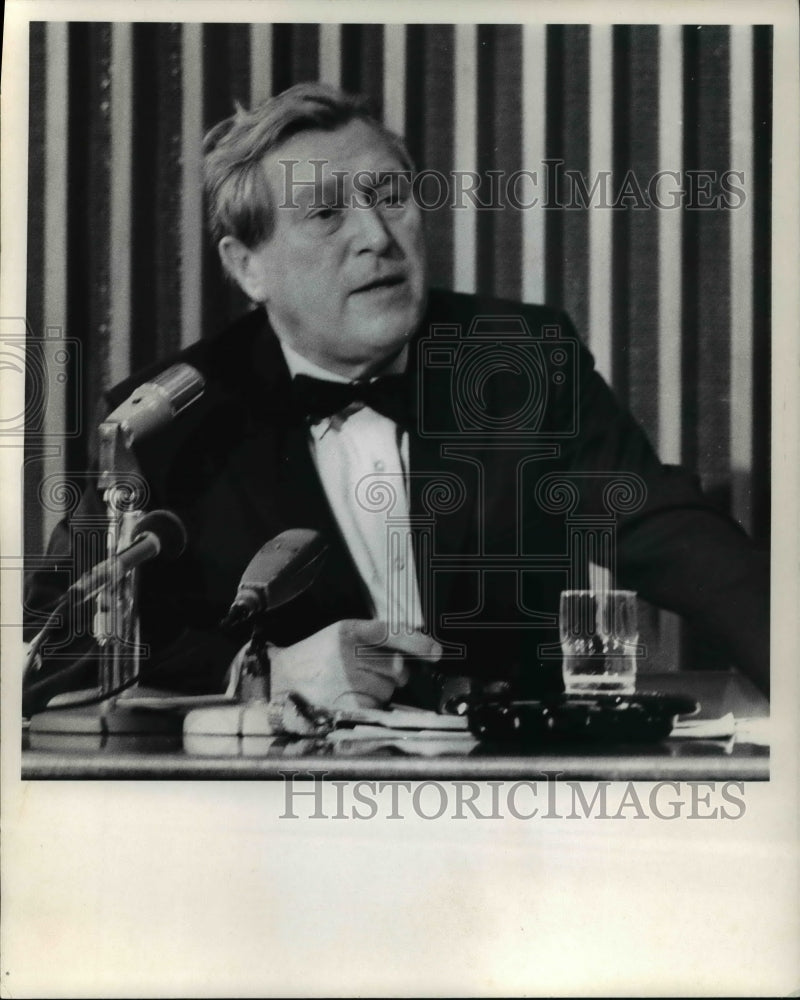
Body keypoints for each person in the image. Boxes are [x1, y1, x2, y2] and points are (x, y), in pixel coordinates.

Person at [23, 82, 769, 716]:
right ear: (247, 266)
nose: (377, 236)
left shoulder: (517, 362)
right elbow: (46, 649)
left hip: (508, 805)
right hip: (272, 824)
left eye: (391, 197)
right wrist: (262, 675)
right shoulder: (165, 420)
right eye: (326, 215)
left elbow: (683, 541)